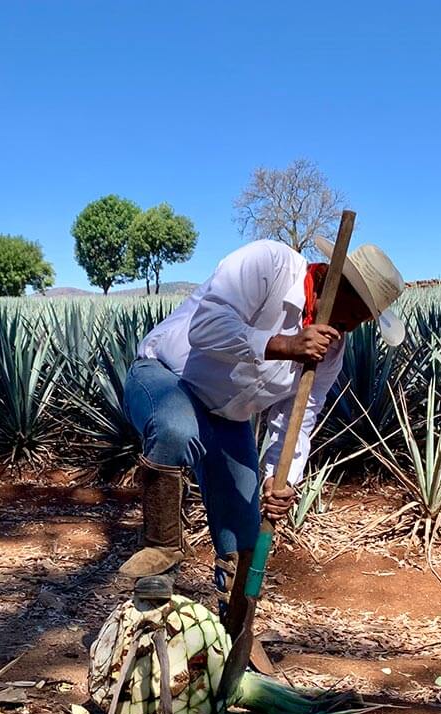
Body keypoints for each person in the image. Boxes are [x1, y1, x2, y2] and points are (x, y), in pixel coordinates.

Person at [119, 234, 405, 637]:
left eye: (364, 321)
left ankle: (235, 632)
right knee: (176, 429)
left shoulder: (332, 347)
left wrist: (280, 476)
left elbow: (298, 417)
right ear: (331, 280)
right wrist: (284, 344)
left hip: (228, 416)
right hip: (168, 377)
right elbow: (206, 328)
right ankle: (161, 552)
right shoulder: (267, 264)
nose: (352, 328)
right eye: (354, 313)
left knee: (246, 534)